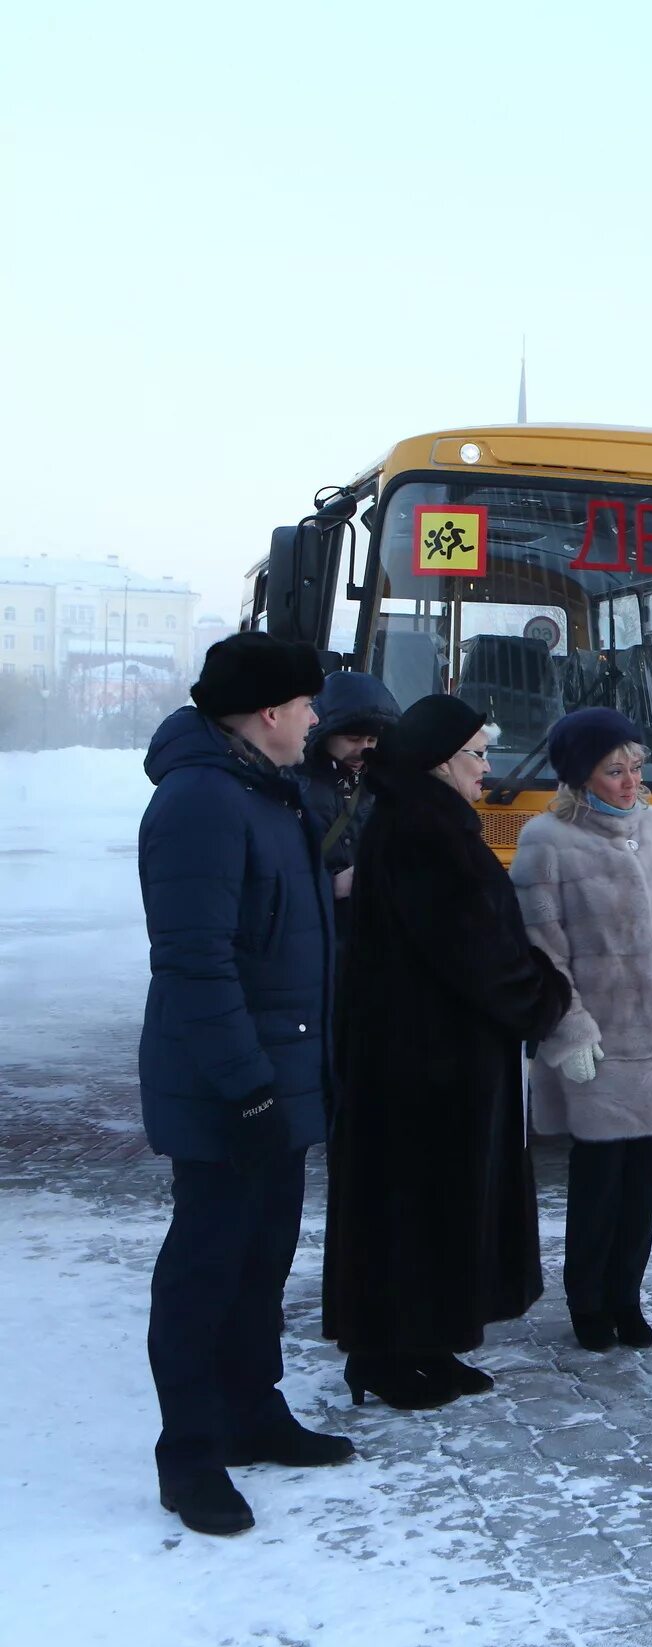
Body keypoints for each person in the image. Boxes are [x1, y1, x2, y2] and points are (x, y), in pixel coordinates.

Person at [139, 633, 349, 1537]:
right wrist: (248, 1087)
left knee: (261, 1258)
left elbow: (285, 943)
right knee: (206, 1268)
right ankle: (189, 1455)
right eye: (307, 706)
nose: (315, 721)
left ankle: (251, 1413)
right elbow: (195, 962)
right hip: (229, 1089)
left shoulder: (269, 795)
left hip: (279, 1075)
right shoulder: (201, 803)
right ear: (268, 712)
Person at [324, 694, 572, 1408]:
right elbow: (477, 951)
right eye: (477, 754)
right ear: (439, 761)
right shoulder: (426, 831)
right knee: (418, 1206)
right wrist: (543, 996)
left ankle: (426, 1341)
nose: (487, 769)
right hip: (425, 1061)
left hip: (430, 1052)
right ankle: (385, 1353)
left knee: (432, 1206)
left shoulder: (421, 820)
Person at [511, 709, 652, 1351]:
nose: (631, 780)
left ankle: (627, 1297)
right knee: (599, 1184)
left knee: (645, 1185)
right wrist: (569, 1032)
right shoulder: (546, 843)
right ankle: (588, 1301)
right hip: (603, 1048)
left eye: (636, 766)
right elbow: (541, 952)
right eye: (614, 771)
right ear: (580, 778)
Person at [295, 670, 398, 946]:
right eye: (354, 739)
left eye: (372, 741)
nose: (364, 750)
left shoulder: (377, 788)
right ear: (324, 734)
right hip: (317, 938)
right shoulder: (298, 789)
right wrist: (333, 885)